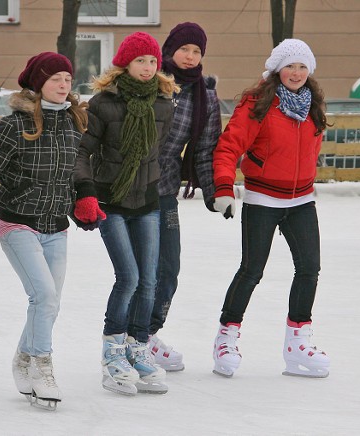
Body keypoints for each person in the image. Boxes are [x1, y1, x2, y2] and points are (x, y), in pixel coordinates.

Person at [0, 52, 87, 411]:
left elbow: (73, 173)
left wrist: (84, 201)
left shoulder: (73, 122)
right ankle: (42, 365)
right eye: (56, 78)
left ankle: (23, 359)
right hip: (18, 223)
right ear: (38, 82)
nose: (63, 85)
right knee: (44, 295)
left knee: (49, 303)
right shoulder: (16, 125)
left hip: (56, 226)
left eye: (68, 80)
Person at [210, 39, 330, 379]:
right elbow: (229, 145)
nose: (297, 72)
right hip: (263, 197)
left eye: (303, 66)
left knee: (309, 269)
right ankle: (226, 335)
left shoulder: (313, 105)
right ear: (278, 68)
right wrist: (223, 187)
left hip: (302, 199)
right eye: (291, 65)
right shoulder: (259, 103)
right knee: (252, 270)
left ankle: (297, 342)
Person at [72, 31, 177, 395]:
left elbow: (159, 153)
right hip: (110, 201)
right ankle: (113, 351)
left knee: (149, 279)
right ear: (125, 64)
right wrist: (85, 193)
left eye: (152, 61)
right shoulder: (103, 103)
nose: (147, 68)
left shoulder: (164, 104)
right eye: (140, 61)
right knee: (129, 277)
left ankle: (137, 346)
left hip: (147, 201)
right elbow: (81, 152)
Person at [148, 22, 222, 372]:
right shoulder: (148, 81)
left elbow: (206, 149)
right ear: (170, 51)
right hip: (127, 190)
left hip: (164, 190)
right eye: (185, 50)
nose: (190, 57)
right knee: (135, 272)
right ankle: (124, 341)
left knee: (168, 268)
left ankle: (145, 335)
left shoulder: (204, 95)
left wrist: (215, 191)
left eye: (197, 51)